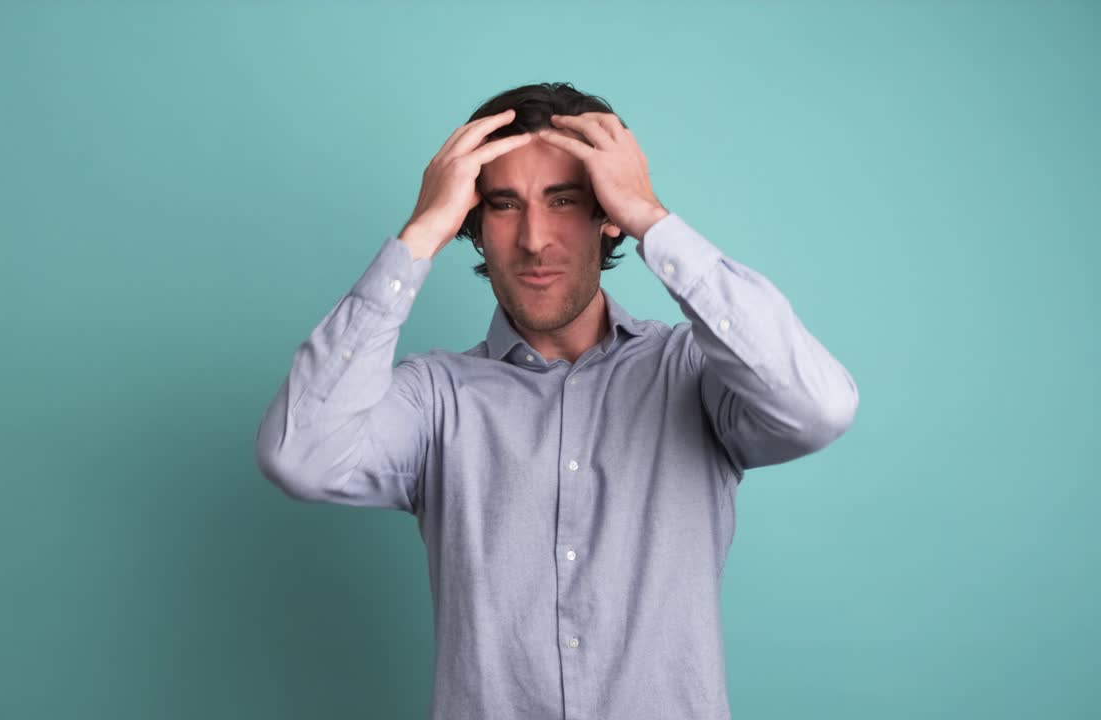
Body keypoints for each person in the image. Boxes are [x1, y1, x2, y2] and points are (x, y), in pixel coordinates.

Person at [255, 82, 859, 720]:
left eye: (564, 200)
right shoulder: (435, 398)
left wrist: (651, 217)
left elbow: (818, 408)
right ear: (475, 225)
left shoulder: (692, 374)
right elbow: (300, 456)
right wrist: (421, 233)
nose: (534, 239)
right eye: (504, 205)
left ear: (606, 213)